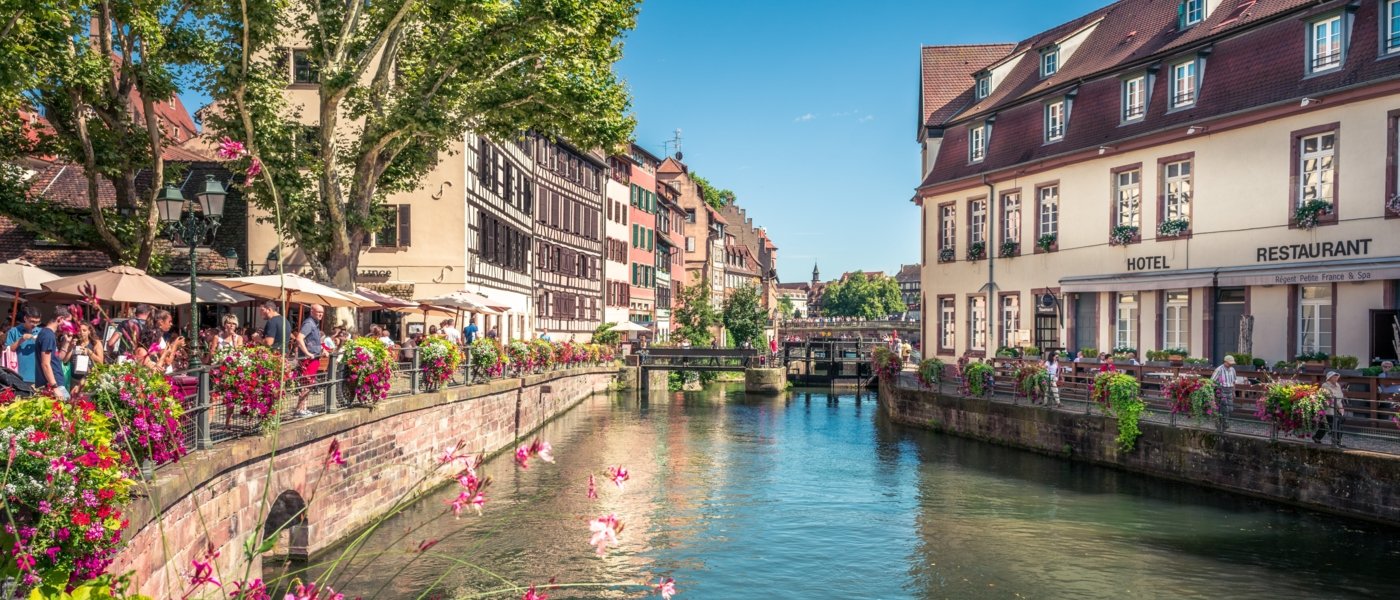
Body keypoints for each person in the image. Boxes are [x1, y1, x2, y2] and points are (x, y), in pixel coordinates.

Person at [292, 304, 324, 418]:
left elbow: (313, 341)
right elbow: (299, 338)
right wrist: (307, 353)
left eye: (322, 312)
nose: (320, 314)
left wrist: (322, 350)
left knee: (309, 384)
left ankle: (304, 408)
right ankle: (299, 410)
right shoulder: (309, 323)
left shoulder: (315, 323)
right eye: (318, 312)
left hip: (314, 358)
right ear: (312, 311)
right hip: (308, 359)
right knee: (306, 383)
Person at [35, 306, 71, 399]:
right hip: (53, 385)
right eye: (68, 322)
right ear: (60, 319)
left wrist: (66, 343)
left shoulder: (48, 334)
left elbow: (57, 359)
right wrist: (54, 387)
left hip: (54, 383)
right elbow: (45, 364)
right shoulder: (48, 335)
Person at [5, 306, 41, 383]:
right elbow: (9, 349)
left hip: (38, 376)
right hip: (18, 375)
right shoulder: (14, 331)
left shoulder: (42, 332)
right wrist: (22, 339)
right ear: (25, 319)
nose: (35, 324)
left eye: (37, 322)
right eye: (32, 321)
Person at [68, 321, 104, 392]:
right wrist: (70, 347)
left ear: (89, 331)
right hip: (74, 379)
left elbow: (100, 362)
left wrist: (89, 352)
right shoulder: (74, 342)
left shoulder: (95, 343)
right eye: (79, 330)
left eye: (84, 330)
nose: (81, 332)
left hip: (88, 379)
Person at [1314, 371, 1347, 446]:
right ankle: (1336, 442)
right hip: (1329, 409)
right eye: (1334, 376)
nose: (1336, 378)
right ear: (1329, 378)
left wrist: (1341, 407)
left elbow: (1339, 397)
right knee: (1333, 425)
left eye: (1336, 376)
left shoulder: (1338, 385)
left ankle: (1317, 438)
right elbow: (1331, 398)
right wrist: (1339, 407)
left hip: (1338, 408)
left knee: (1335, 425)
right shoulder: (1325, 385)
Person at [1211, 355, 1238, 433]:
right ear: (1225, 362)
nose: (1231, 364)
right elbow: (1211, 381)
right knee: (1223, 408)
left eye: (1232, 363)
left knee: (1230, 408)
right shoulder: (1219, 369)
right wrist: (1216, 389)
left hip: (1229, 390)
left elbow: (1233, 381)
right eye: (1230, 363)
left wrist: (1233, 392)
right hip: (1222, 390)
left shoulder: (1232, 369)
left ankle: (1225, 423)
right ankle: (1221, 425)